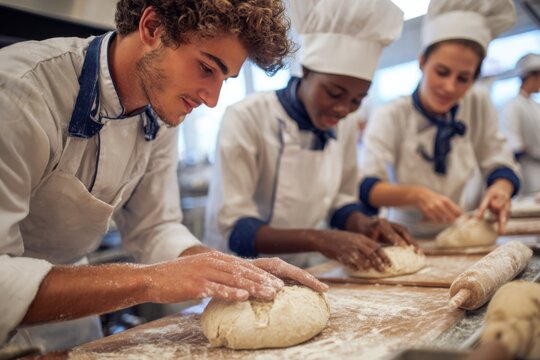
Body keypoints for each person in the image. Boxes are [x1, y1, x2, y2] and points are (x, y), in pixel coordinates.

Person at [0, 0, 328, 351]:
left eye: (225, 79)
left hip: (70, 324)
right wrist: (152, 280)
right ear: (152, 27)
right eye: (206, 68)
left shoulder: (160, 107)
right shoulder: (20, 94)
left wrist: (224, 268)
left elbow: (154, 226)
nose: (213, 99)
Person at [204, 0, 417, 271]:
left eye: (356, 100)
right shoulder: (247, 118)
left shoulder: (345, 123)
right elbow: (234, 229)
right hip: (241, 272)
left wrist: (365, 224)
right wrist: (318, 238)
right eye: (333, 93)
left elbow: (341, 200)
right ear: (304, 70)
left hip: (306, 270)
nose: (343, 109)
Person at [359, 0, 521, 239]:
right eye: (442, 72)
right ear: (423, 61)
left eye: (463, 78)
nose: (449, 87)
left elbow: (498, 161)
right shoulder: (392, 114)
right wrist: (417, 195)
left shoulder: (477, 104)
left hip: (460, 230)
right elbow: (367, 186)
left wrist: (500, 190)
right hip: (403, 235)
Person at [501, 53, 540, 195]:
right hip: (526, 172)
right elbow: (514, 144)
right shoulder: (513, 106)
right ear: (531, 77)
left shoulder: (535, 106)